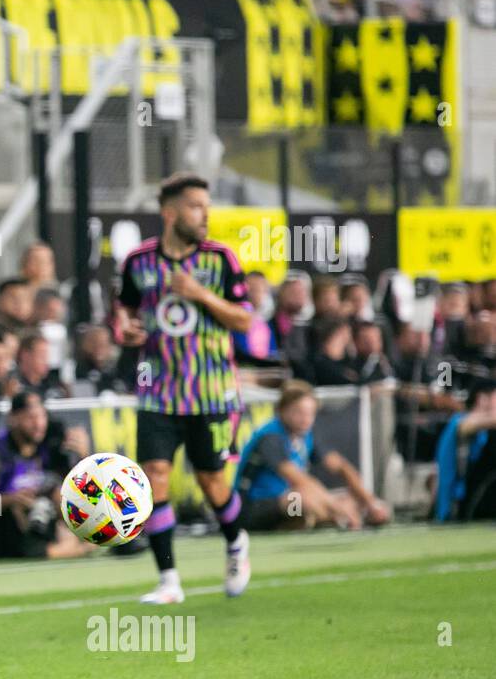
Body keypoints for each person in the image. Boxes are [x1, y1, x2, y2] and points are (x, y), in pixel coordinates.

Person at [114, 172, 253, 604]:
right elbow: (125, 311)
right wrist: (125, 328)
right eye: (196, 207)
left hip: (210, 393)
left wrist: (200, 295)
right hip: (156, 393)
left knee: (213, 482)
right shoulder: (138, 262)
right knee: (153, 478)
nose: (204, 216)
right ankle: (169, 580)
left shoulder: (221, 260)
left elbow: (245, 319)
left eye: (207, 208)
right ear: (170, 213)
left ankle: (235, 542)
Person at [235, 380, 391, 530]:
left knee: (347, 497)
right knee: (302, 498)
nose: (306, 419)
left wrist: (370, 502)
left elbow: (341, 467)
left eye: (310, 413)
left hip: (286, 501)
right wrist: (338, 508)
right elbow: (300, 480)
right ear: (282, 410)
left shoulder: (306, 434)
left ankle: (339, 517)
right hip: (251, 509)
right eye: (299, 412)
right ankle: (336, 518)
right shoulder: (270, 437)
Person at [0, 391, 91, 560]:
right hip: (4, 522)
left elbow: (81, 490)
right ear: (13, 419)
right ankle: (76, 549)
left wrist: (85, 458)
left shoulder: (49, 446)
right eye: (31, 417)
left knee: (62, 494)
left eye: (42, 417)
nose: (38, 424)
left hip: (43, 517)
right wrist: (10, 499)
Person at [434, 381, 496, 522]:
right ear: (482, 399)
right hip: (457, 505)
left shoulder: (485, 431)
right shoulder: (459, 422)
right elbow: (468, 425)